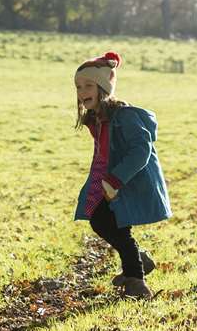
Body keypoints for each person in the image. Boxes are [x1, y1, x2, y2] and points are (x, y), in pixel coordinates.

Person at [73, 52, 170, 298]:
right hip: (107, 179)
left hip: (127, 180)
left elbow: (141, 149)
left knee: (111, 223)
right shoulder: (97, 117)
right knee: (100, 219)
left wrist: (116, 180)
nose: (82, 91)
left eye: (88, 85)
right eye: (78, 86)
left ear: (103, 88)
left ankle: (137, 281)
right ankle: (136, 261)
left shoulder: (124, 116)